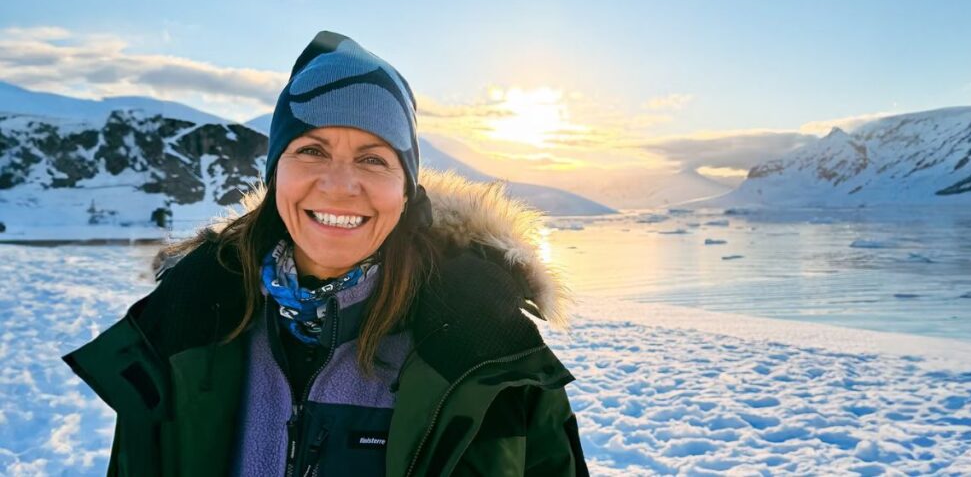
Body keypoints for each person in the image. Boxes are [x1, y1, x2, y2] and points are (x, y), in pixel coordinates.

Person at [63, 31, 588, 476]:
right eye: (311, 150)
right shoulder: (184, 324)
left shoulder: (489, 349)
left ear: (406, 191)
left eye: (374, 159)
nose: (340, 187)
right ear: (274, 175)